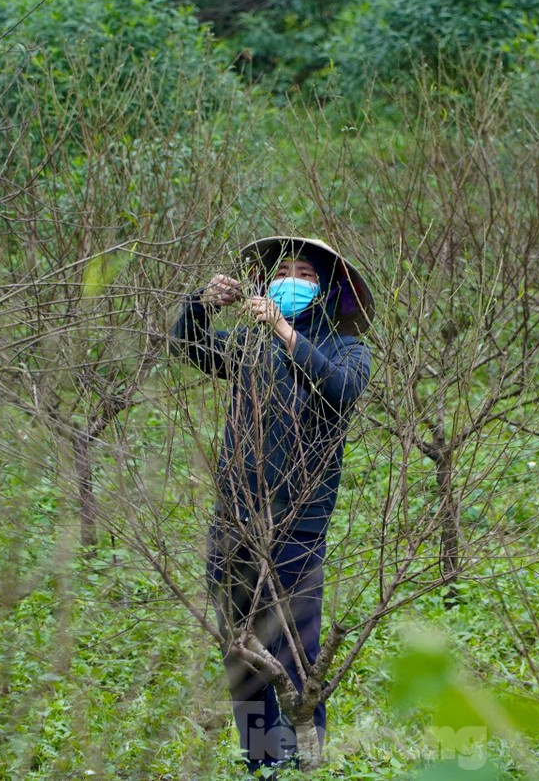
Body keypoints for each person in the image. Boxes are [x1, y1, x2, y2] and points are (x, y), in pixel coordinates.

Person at [170, 236, 373, 773]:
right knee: (242, 650)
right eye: (282, 272)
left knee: (299, 655)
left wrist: (283, 331)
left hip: (299, 527)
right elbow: (188, 346)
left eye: (304, 274)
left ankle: (308, 757)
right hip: (236, 519)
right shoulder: (248, 345)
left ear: (327, 291)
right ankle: (262, 760)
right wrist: (200, 304)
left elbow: (339, 390)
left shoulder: (346, 349)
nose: (290, 281)